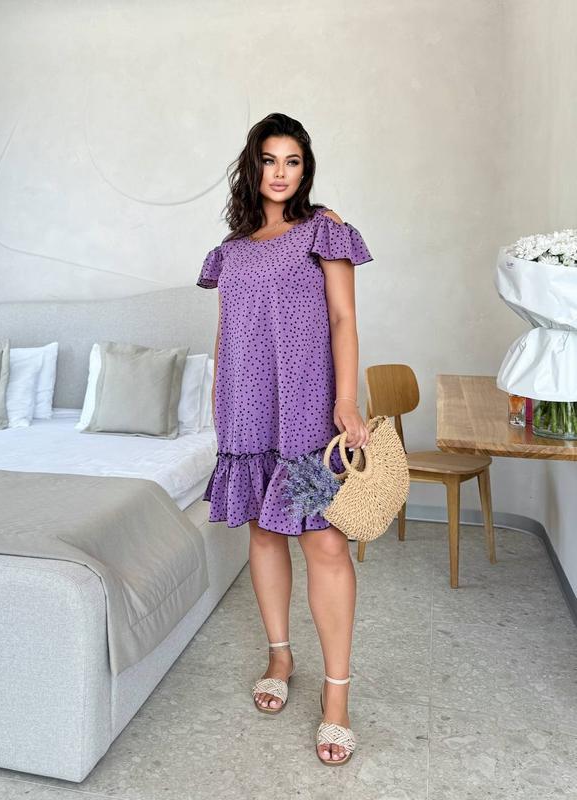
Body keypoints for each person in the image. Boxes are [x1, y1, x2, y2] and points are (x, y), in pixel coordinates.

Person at [196, 112, 373, 766]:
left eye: (292, 161)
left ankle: (336, 697)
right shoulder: (234, 247)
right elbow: (227, 330)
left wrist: (345, 400)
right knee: (264, 534)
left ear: (306, 169)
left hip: (304, 410)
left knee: (323, 543)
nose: (280, 172)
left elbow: (343, 318)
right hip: (245, 407)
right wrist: (219, 399)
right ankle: (279, 656)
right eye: (269, 160)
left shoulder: (324, 228)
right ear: (252, 166)